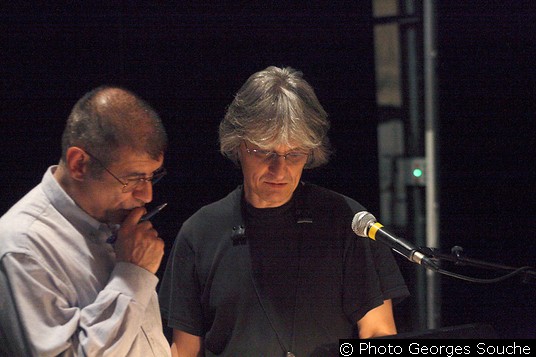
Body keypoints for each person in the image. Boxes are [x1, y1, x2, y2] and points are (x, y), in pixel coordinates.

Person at [158, 66, 410, 356]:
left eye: (294, 154)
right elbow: (185, 350)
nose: (280, 169)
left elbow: (378, 331)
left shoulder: (347, 221)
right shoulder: (200, 232)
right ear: (238, 145)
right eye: (264, 152)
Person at [0, 86, 172, 356]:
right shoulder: (22, 246)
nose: (147, 195)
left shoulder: (115, 224)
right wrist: (132, 276)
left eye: (151, 177)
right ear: (79, 163)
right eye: (133, 178)